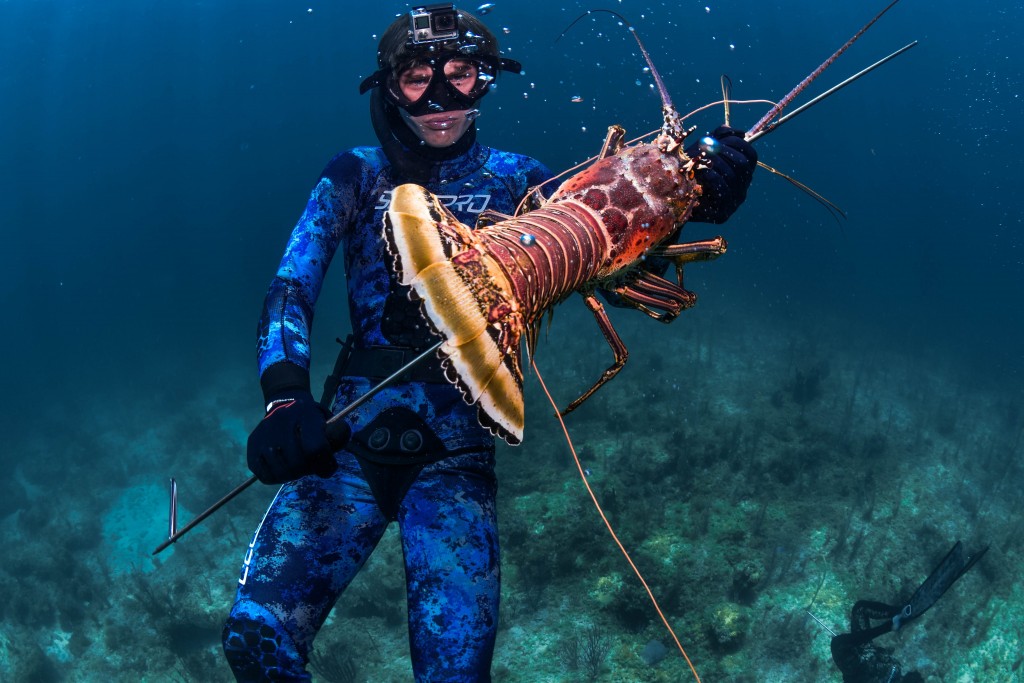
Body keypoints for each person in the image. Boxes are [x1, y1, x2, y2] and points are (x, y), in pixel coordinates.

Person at [221, 5, 757, 681]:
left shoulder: (520, 179)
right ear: (387, 88)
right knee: (256, 637)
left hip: (456, 458)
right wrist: (284, 397)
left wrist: (702, 197)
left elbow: (610, 241)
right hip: (344, 441)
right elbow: (290, 288)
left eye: (463, 75)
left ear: (487, 81)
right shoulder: (354, 175)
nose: (441, 98)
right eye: (417, 79)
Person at [828, 541, 988, 682]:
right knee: (862, 611)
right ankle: (899, 613)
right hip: (866, 657)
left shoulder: (869, 669)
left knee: (860, 611)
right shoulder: (895, 670)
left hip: (859, 661)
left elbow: (839, 643)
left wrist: (888, 626)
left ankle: (898, 615)